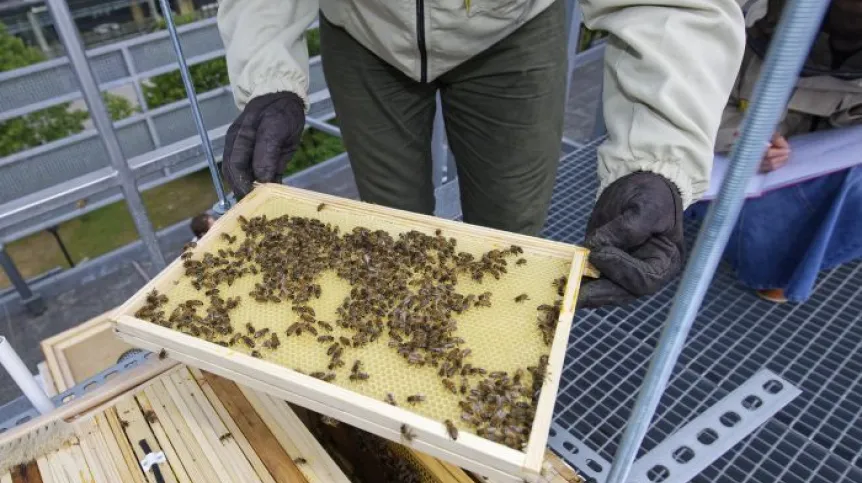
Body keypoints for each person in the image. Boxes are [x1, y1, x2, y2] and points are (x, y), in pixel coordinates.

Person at [216, 0, 747, 308]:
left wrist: (659, 155)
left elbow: (669, 5)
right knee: (393, 233)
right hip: (361, 28)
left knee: (511, 239)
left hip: (513, 26)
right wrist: (268, 75)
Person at [690, 0, 862, 303]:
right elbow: (690, 102)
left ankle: (796, 261)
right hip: (731, 173)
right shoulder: (741, 20)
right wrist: (745, 140)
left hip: (817, 174)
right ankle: (771, 267)